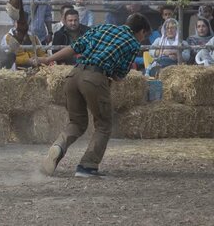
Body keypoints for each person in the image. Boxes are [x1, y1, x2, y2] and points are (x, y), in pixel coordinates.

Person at [40, 13, 151, 178]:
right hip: (95, 78)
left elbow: (75, 47)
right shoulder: (133, 43)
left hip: (74, 75)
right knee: (104, 124)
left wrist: (47, 59)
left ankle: (59, 146)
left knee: (76, 123)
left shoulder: (102, 27)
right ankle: (87, 165)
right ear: (141, 31)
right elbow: (119, 75)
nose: (143, 39)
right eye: (144, 35)